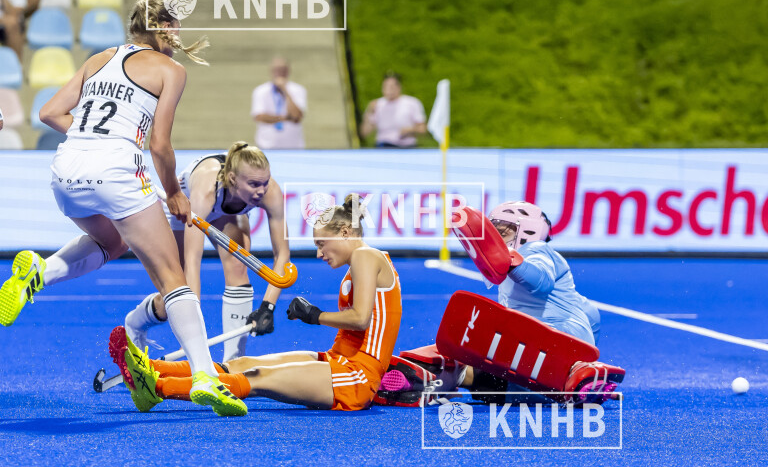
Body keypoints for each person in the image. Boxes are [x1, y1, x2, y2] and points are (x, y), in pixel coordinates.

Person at [0, 0, 247, 417]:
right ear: (162, 28)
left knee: (111, 242)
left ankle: (39, 272)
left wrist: (96, 141)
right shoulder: (171, 70)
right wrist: (174, 193)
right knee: (173, 279)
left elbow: (49, 112)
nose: (179, 35)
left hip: (66, 169)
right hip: (116, 170)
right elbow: (160, 145)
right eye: (176, 27)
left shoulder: (98, 58)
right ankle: (206, 376)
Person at [111, 193, 403, 412]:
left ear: (345, 233)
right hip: (339, 360)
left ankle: (156, 386)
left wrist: (314, 315)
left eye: (321, 244)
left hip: (357, 378)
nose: (319, 254)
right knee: (241, 363)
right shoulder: (362, 261)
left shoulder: (365, 255)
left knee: (257, 377)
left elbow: (360, 318)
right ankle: (148, 367)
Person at [378, 201, 620, 405]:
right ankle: (427, 378)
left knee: (465, 349)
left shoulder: (537, 249)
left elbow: (541, 281)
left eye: (503, 231)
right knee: (466, 359)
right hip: (529, 369)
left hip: (549, 343)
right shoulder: (516, 277)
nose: (495, 237)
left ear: (527, 231)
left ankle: (433, 375)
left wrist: (513, 262)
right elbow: (592, 316)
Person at [124, 140, 290, 362]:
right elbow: (193, 261)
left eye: (265, 182)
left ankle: (234, 362)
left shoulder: (270, 192)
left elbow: (282, 255)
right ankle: (136, 322)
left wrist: (267, 306)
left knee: (238, 267)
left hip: (227, 210)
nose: (261, 191)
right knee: (177, 287)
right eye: (253, 184)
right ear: (233, 179)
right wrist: (192, 338)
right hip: (184, 208)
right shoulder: (205, 190)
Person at [250, 57, 307, 149]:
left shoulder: (298, 90)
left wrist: (285, 91)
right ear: (271, 71)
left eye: (283, 70)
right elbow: (259, 117)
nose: (280, 73)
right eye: (277, 70)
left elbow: (296, 116)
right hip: (266, 145)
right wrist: (285, 118)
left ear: (288, 71)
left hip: (293, 146)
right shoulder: (260, 91)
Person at [360, 71, 426, 148]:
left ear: (399, 87)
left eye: (391, 87)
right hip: (383, 146)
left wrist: (410, 130)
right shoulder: (377, 105)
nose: (388, 90)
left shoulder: (412, 103)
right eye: (385, 87)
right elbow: (364, 133)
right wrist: (369, 112)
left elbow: (423, 129)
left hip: (407, 147)